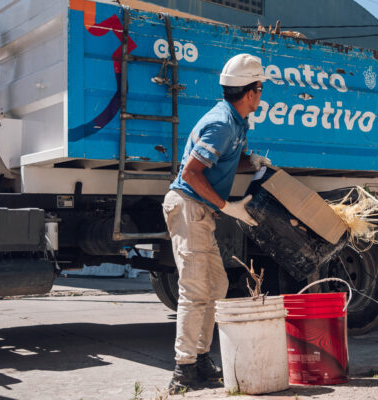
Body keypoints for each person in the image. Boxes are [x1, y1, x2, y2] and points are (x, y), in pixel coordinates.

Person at [162, 53, 271, 392]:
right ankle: (183, 371)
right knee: (195, 291)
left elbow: (225, 159)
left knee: (217, 286)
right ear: (250, 91)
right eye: (261, 88)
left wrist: (249, 162)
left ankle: (200, 358)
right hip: (188, 207)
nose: (261, 94)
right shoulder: (221, 122)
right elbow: (191, 173)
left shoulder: (237, 122)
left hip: (201, 212)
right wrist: (228, 206)